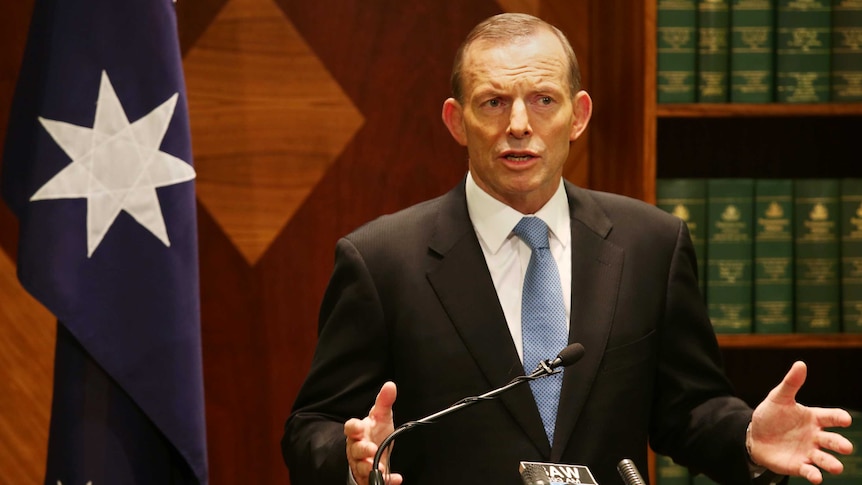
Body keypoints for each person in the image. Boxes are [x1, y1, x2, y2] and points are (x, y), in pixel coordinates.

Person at [281, 12, 853, 485]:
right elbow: (312, 425)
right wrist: (353, 460)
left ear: (578, 115)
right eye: (493, 103)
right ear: (456, 121)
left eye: (544, 101)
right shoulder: (381, 261)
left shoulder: (651, 243)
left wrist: (746, 438)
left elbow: (688, 409)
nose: (520, 125)